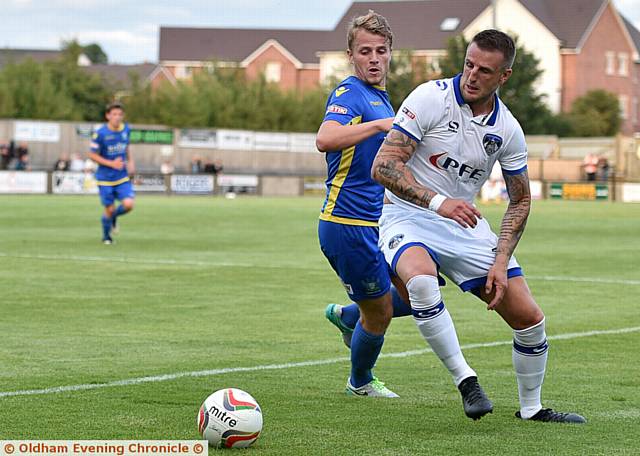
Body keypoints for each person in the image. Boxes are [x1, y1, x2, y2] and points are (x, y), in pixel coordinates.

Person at [371, 29, 586, 424]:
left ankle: (532, 409)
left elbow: (520, 198)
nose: (472, 76)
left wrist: (501, 260)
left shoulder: (507, 129)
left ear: (503, 77)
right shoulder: (429, 98)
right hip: (406, 215)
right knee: (419, 281)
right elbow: (383, 166)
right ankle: (466, 381)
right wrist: (438, 202)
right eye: (469, 64)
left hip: (464, 223)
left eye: (484, 71)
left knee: (530, 319)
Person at [317, 13, 489, 418]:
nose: (374, 59)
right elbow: (325, 139)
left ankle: (347, 315)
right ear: (350, 55)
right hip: (348, 224)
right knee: (378, 313)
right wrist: (377, 124)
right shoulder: (351, 93)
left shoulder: (383, 97)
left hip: (379, 221)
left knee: (417, 292)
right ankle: (360, 382)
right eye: (365, 52)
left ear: (391, 53)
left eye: (380, 51)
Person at [88, 101, 135, 245]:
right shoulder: (100, 134)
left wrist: (131, 162)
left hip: (121, 176)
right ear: (107, 116)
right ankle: (106, 237)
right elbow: (92, 155)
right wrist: (111, 164)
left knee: (128, 205)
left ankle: (113, 217)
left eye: (120, 114)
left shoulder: (126, 129)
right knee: (109, 209)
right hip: (105, 178)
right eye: (114, 114)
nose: (117, 117)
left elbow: (127, 147)